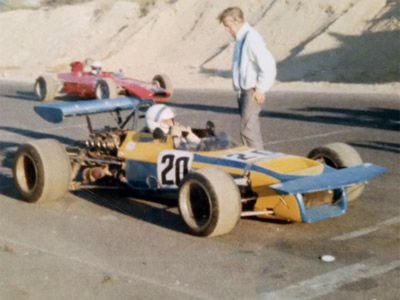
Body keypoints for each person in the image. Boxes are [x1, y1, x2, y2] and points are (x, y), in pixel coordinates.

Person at [218, 7, 276, 151]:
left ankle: (258, 164)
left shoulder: (251, 39)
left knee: (248, 131)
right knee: (251, 130)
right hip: (243, 92)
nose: (227, 30)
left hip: (251, 91)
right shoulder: (240, 39)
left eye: (228, 26)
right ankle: (256, 160)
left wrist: (261, 89)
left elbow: (268, 66)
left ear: (237, 21)